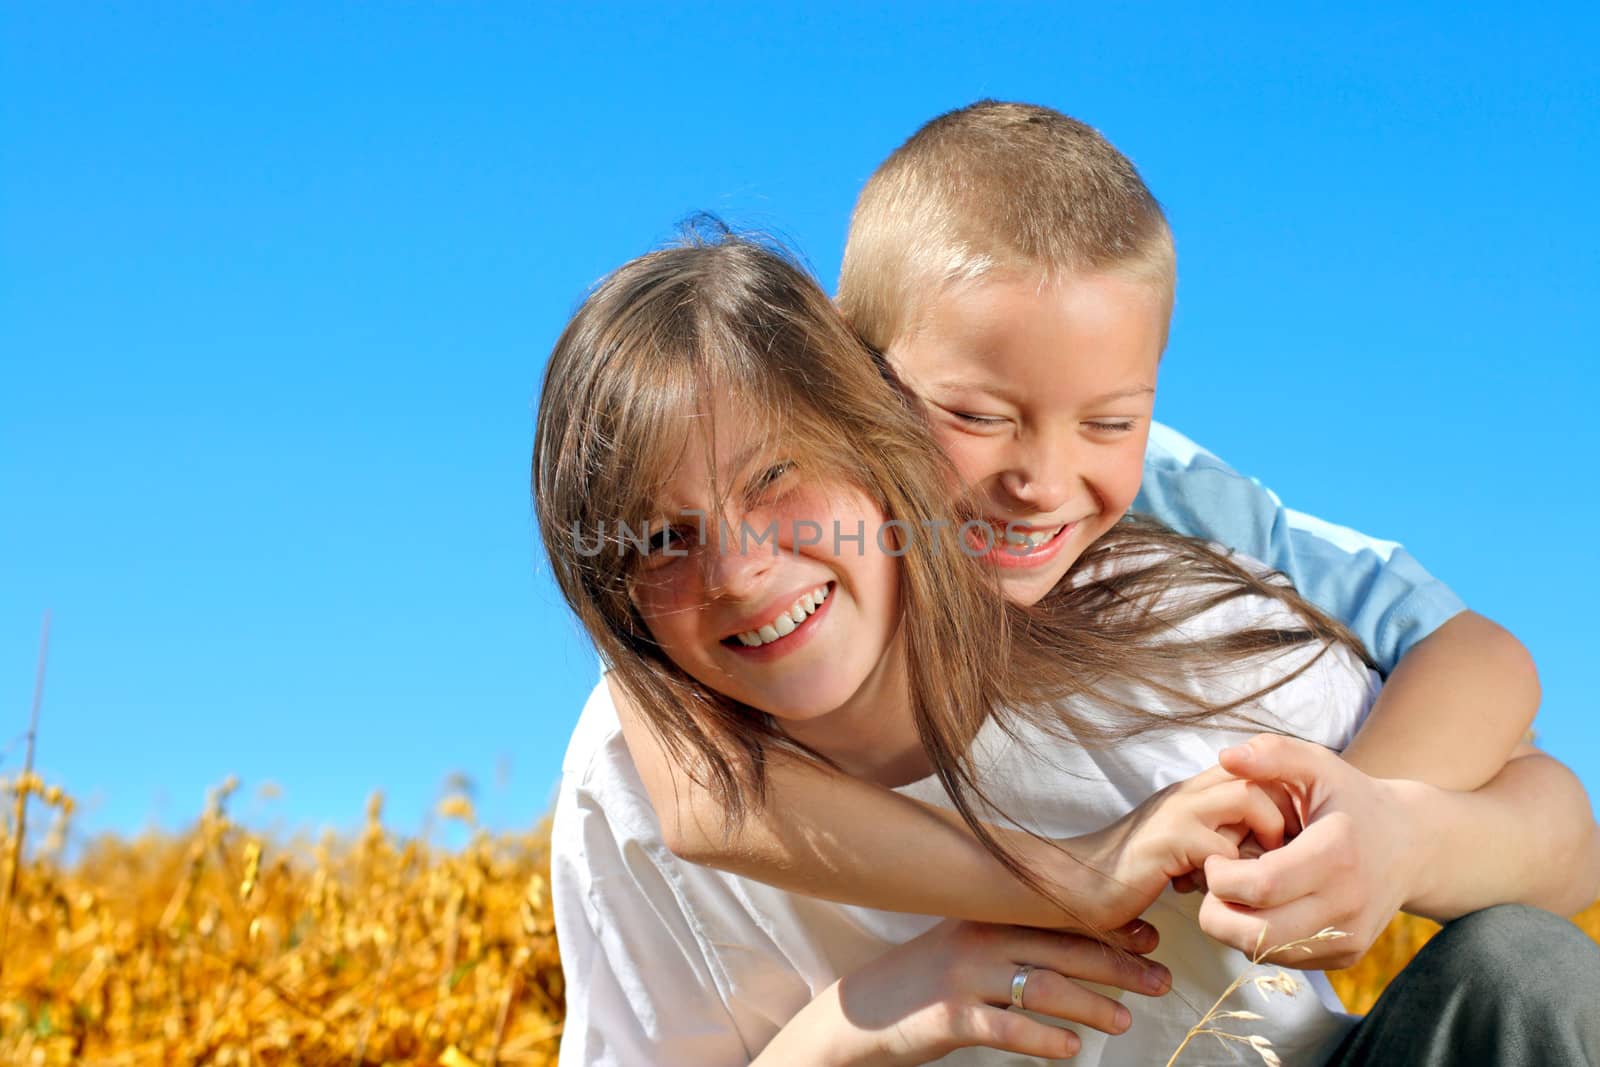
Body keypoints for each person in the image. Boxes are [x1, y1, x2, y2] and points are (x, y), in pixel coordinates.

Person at [535, 233, 1600, 1065]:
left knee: (1520, 970)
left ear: (880, 446)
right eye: (662, 538)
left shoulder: (1133, 624)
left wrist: (1389, 831)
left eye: (776, 478)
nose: (734, 570)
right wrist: (866, 1018)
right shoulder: (631, 776)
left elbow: (1553, 820)